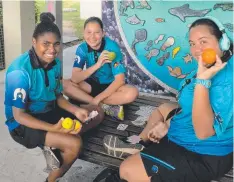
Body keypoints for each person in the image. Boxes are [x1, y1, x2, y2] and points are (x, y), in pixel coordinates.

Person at [101, 16, 233, 182]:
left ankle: (145, 153)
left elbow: (203, 132)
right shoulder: (216, 64)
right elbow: (189, 107)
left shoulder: (226, 82)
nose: (196, 49)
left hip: (203, 153)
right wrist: (168, 124)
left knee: (126, 169)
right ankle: (140, 142)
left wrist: (202, 80)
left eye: (203, 41)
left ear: (223, 42)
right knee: (165, 108)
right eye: (192, 43)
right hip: (188, 131)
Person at [4, 13, 104, 182]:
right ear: (34, 42)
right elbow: (19, 116)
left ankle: (55, 143)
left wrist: (76, 110)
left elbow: (57, 95)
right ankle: (51, 178)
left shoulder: (55, 64)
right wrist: (54, 129)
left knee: (97, 112)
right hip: (23, 124)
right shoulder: (19, 72)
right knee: (75, 145)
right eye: (46, 44)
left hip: (49, 110)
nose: (52, 50)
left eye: (56, 44)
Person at [63, 17, 138, 121]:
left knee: (132, 93)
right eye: (88, 32)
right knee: (63, 84)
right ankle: (105, 106)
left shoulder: (112, 48)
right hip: (91, 86)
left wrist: (97, 99)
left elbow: (119, 80)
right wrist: (97, 65)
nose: (92, 37)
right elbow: (75, 78)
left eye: (97, 32)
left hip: (111, 87)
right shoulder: (82, 48)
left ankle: (89, 102)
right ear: (84, 33)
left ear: (103, 33)